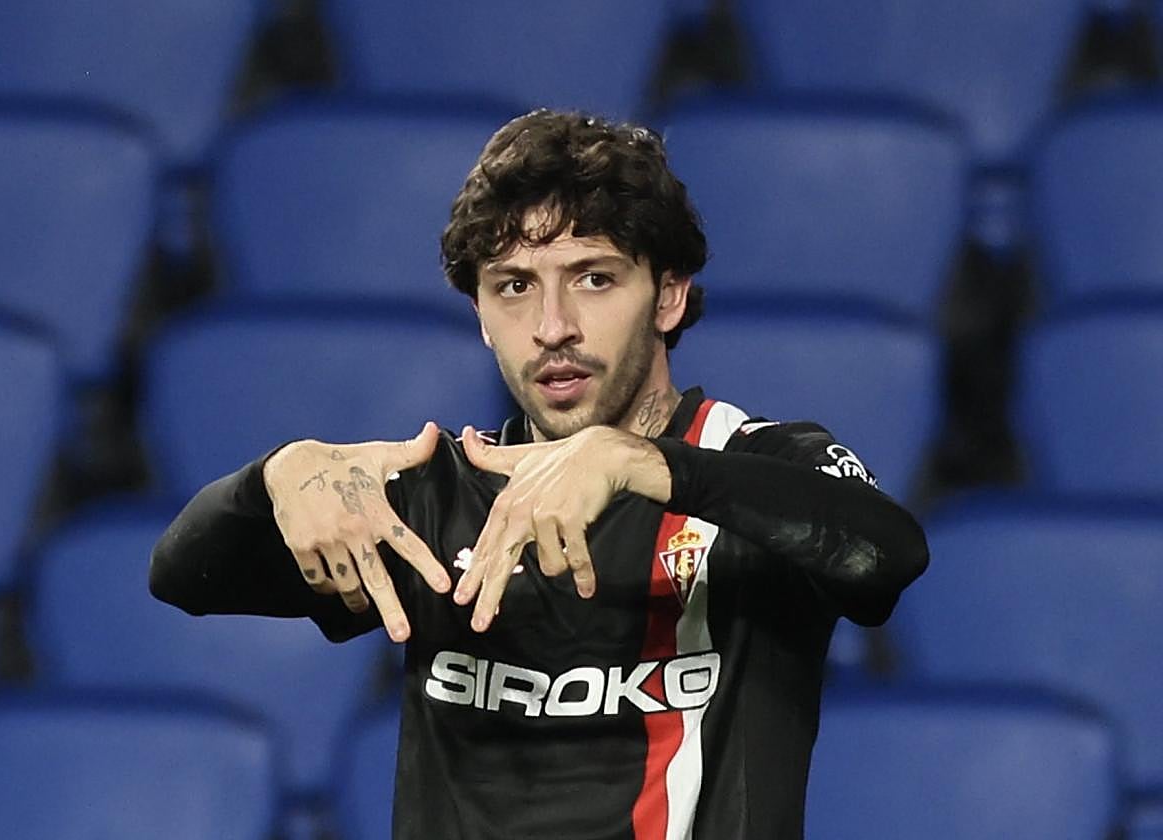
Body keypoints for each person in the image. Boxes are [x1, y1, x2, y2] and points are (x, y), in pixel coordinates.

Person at [150, 109, 929, 840]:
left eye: (594, 278)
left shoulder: (753, 465)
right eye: (514, 286)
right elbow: (183, 575)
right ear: (480, 316)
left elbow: (887, 555)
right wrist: (275, 477)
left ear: (668, 295)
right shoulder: (438, 494)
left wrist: (638, 462)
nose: (553, 327)